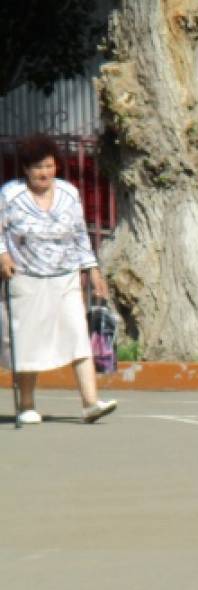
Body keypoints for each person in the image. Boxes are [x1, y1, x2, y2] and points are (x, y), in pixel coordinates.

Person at [0, 133, 117, 426]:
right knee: (27, 340)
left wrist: (92, 269)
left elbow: (79, 234)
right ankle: (26, 404)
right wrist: (3, 256)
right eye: (38, 167)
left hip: (64, 276)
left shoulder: (68, 193)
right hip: (26, 276)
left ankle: (90, 402)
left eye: (49, 166)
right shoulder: (10, 195)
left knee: (78, 333)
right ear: (26, 169)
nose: (44, 172)